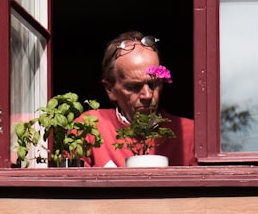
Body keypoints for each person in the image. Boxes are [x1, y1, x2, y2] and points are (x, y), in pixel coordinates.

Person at [80, 31, 195, 167]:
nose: (147, 95)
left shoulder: (189, 133)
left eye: (153, 84)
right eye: (134, 87)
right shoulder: (89, 127)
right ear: (110, 89)